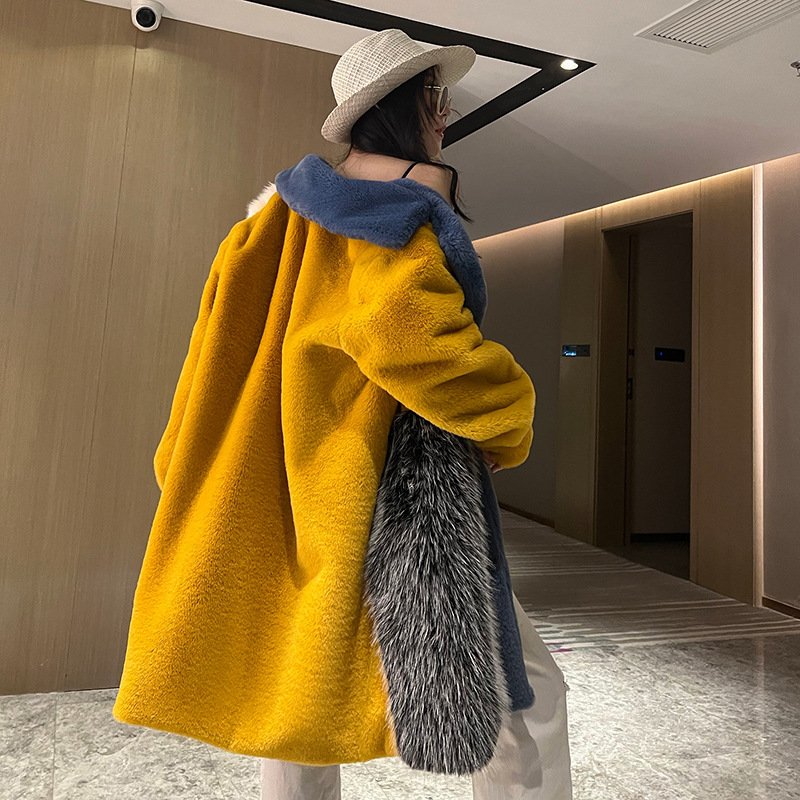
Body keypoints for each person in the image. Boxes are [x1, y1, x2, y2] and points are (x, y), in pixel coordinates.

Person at [257, 28, 574, 800]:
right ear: (413, 106)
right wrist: (508, 416)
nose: (447, 116)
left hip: (297, 470)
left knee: (299, 693)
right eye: (440, 99)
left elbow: (228, 346)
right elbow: (417, 347)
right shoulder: (395, 213)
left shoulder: (276, 212)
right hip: (402, 491)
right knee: (521, 699)